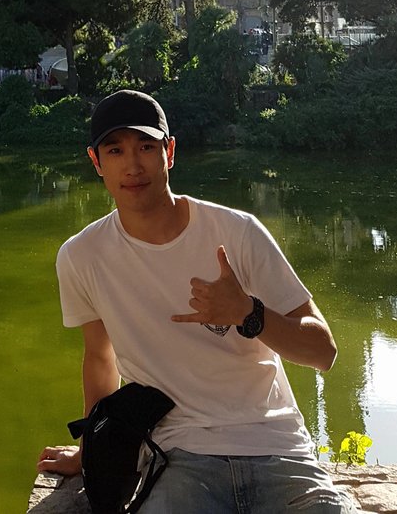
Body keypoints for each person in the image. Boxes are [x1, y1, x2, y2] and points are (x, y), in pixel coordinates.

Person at [37, 89, 351, 513]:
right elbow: (99, 358)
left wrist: (248, 313)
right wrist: (94, 453)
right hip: (180, 458)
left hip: (278, 448)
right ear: (96, 161)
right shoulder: (82, 256)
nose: (132, 165)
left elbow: (323, 352)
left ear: (170, 152)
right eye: (116, 150)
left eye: (147, 147)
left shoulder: (237, 232)